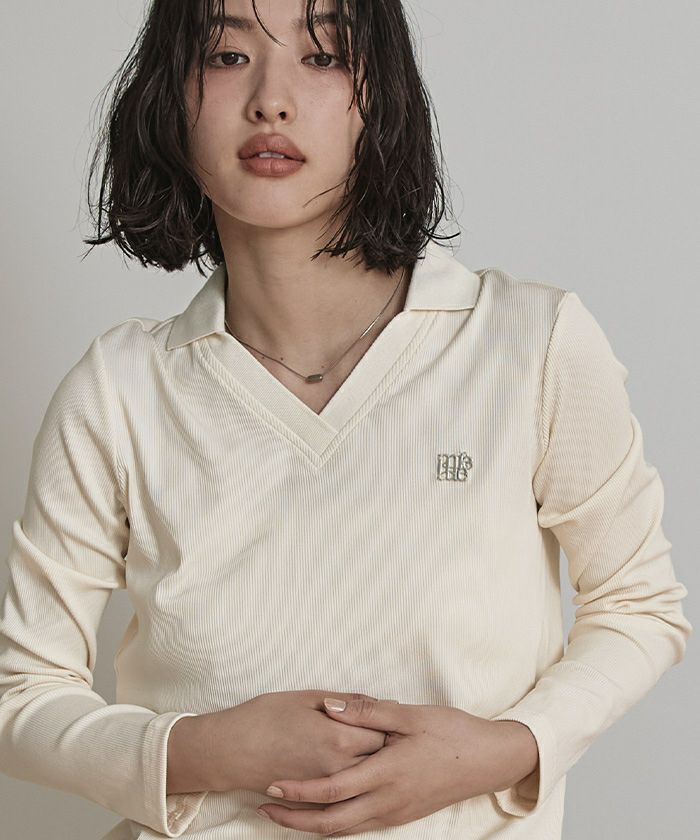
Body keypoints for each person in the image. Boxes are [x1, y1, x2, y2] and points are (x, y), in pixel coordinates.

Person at [0, 1, 692, 839]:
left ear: (382, 99)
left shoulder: (528, 345)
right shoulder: (119, 390)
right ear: (167, 99)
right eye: (226, 55)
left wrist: (504, 750)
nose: (271, 99)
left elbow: (638, 605)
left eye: (324, 56)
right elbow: (21, 699)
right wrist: (209, 749)